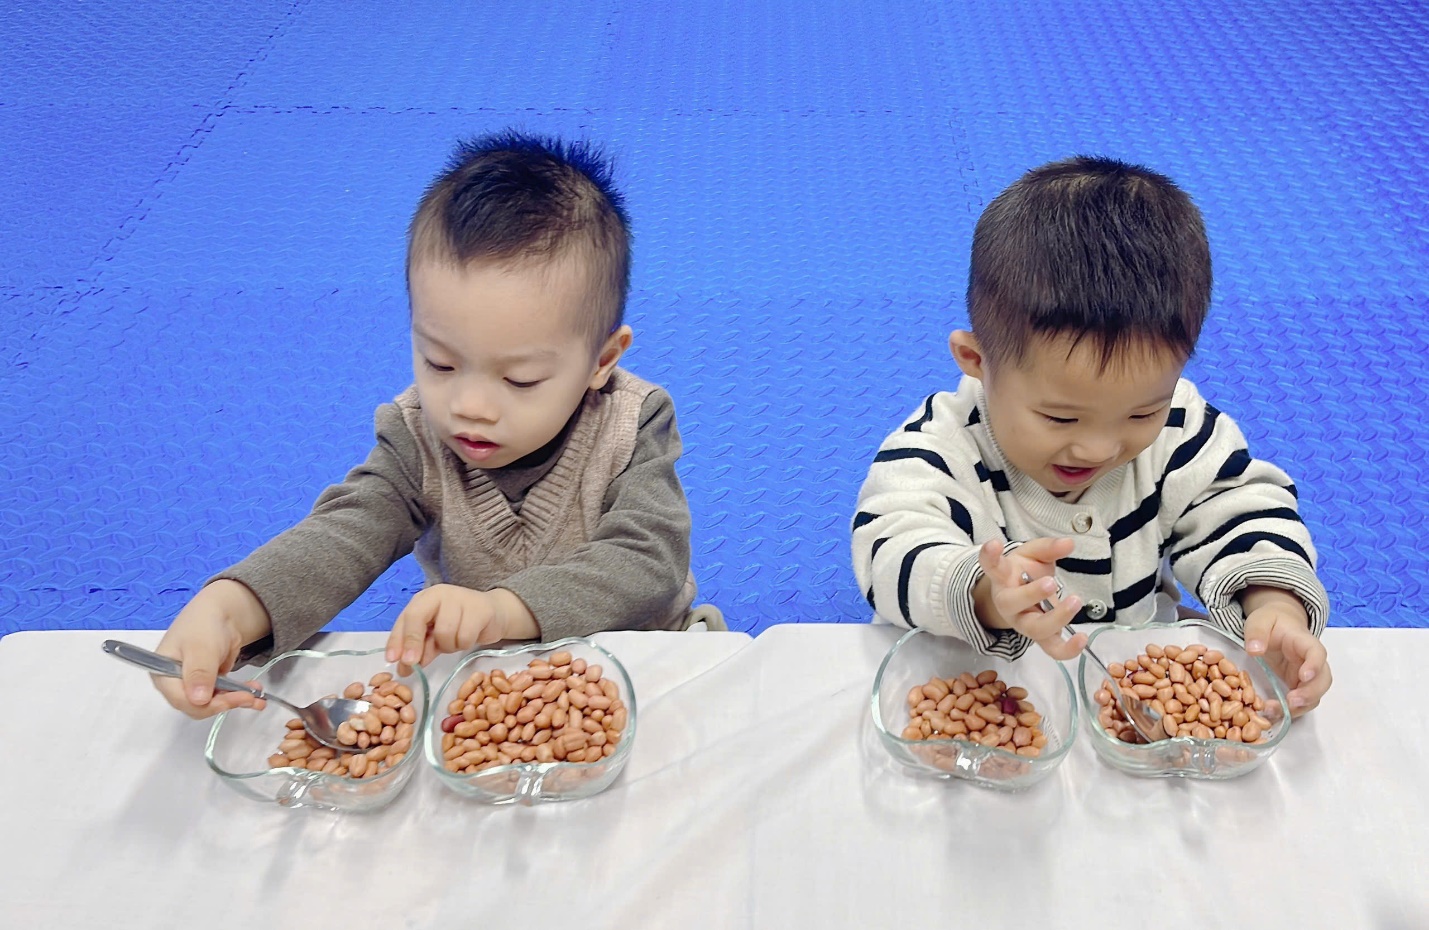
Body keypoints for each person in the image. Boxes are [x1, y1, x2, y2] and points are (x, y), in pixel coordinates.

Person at [154, 130, 719, 718]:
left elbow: (648, 558)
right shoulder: (416, 435)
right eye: (440, 363)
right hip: (485, 673)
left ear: (601, 361)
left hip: (635, 652)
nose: (468, 405)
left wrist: (503, 611)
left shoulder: (633, 422)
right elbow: (346, 531)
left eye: (520, 379)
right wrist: (233, 605)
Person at [851, 156, 1331, 716]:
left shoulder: (1180, 427)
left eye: (1139, 413)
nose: (1101, 449)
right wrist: (986, 594)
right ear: (976, 360)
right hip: (990, 676)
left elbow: (1242, 508)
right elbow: (889, 547)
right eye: (1061, 418)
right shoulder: (942, 448)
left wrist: (1273, 603)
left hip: (1138, 685)